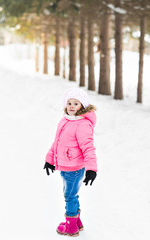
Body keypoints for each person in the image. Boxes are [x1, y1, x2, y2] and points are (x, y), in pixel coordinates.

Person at [44, 88, 97, 237]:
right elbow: (57, 142)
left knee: (69, 196)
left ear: (83, 106)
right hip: (67, 166)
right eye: (69, 103)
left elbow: (88, 148)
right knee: (72, 194)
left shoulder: (82, 125)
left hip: (74, 168)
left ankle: (71, 227)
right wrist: (50, 159)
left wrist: (91, 169)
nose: (71, 106)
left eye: (76, 103)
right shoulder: (66, 120)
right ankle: (77, 222)